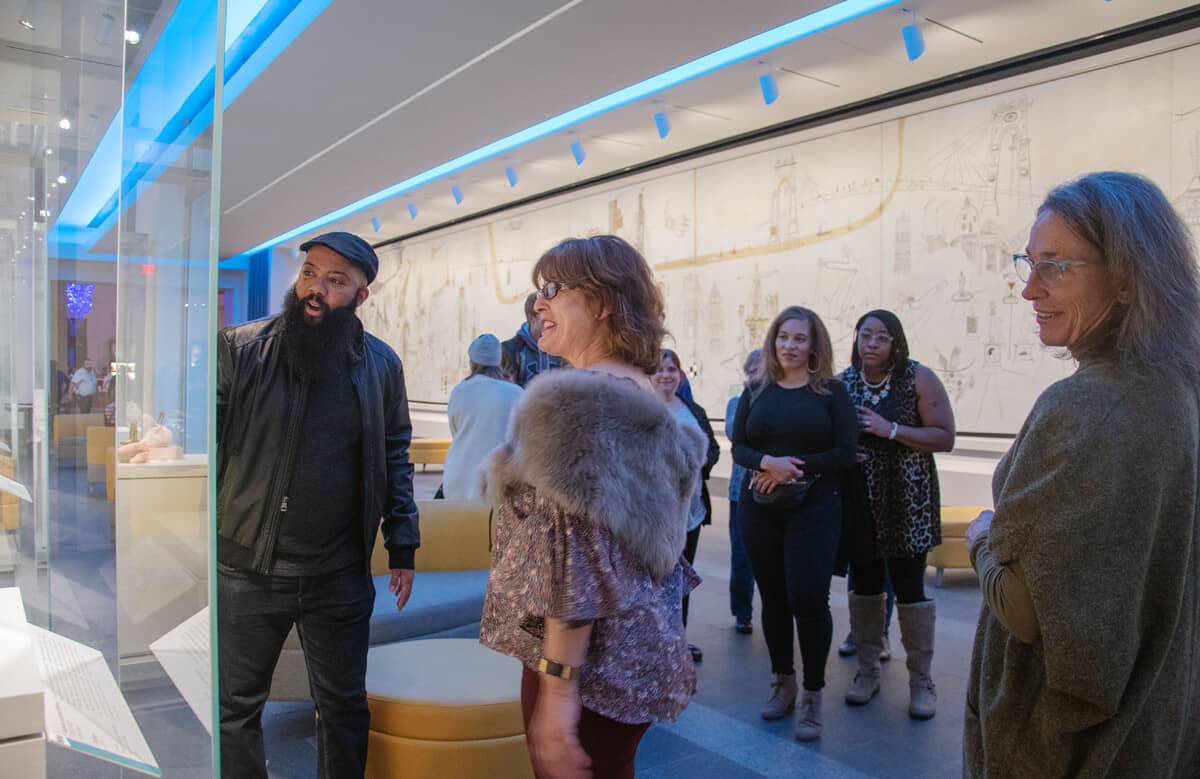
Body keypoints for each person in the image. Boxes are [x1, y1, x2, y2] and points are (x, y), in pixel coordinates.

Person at [963, 172, 1200, 776]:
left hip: (1063, 749)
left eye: (1056, 267)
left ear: (1124, 277)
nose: (1029, 290)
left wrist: (982, 536)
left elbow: (1023, 609)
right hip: (1154, 722)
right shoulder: (1176, 391)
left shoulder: (1086, 406)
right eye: (1029, 263)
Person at [480, 235, 704, 779]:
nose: (539, 304)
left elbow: (574, 564)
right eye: (538, 292)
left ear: (601, 302)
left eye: (553, 289)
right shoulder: (643, 394)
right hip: (633, 653)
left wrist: (558, 694)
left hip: (587, 666)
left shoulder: (578, 404)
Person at [216, 232, 420, 779]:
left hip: (339, 571)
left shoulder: (381, 365)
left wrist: (403, 542)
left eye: (336, 281)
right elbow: (209, 448)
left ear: (360, 296)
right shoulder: (241, 349)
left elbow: (394, 454)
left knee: (343, 708)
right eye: (311, 273)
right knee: (235, 709)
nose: (316, 289)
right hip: (248, 567)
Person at [730, 306, 858, 742]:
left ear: (814, 345)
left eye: (799, 339)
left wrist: (792, 468)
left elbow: (845, 451)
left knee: (808, 598)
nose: (790, 346)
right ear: (773, 340)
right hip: (760, 508)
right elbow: (739, 447)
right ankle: (783, 682)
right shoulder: (757, 388)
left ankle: (813, 697)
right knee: (774, 599)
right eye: (783, 337)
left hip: (816, 508)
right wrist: (767, 462)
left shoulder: (831, 393)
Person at [839, 310, 955, 719]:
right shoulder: (845, 382)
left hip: (909, 501)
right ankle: (867, 671)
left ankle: (921, 682)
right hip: (861, 502)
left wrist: (891, 430)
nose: (870, 343)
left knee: (910, 590)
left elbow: (944, 436)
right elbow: (831, 436)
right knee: (866, 586)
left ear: (896, 343)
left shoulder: (916, 378)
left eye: (881, 337)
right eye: (864, 335)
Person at [654, 348, 720, 662]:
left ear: (679, 375)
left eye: (671, 369)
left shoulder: (693, 409)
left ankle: (677, 641)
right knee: (653, 581)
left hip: (690, 513)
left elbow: (713, 448)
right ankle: (653, 642)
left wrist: (698, 462)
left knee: (682, 580)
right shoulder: (642, 409)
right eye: (660, 369)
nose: (666, 375)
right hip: (654, 517)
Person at [442, 333, 522, 500]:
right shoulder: (517, 393)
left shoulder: (460, 391)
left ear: (472, 362)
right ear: (499, 361)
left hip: (458, 483)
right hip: (500, 487)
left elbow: (455, 432)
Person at [724, 349, 762, 635]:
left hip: (775, 492)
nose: (757, 377)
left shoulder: (781, 401)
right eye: (753, 371)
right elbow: (736, 435)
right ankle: (742, 613)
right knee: (741, 558)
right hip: (741, 491)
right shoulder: (737, 402)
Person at [501, 291, 563, 386]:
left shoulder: (564, 347)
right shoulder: (509, 350)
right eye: (545, 312)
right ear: (532, 318)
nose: (554, 318)